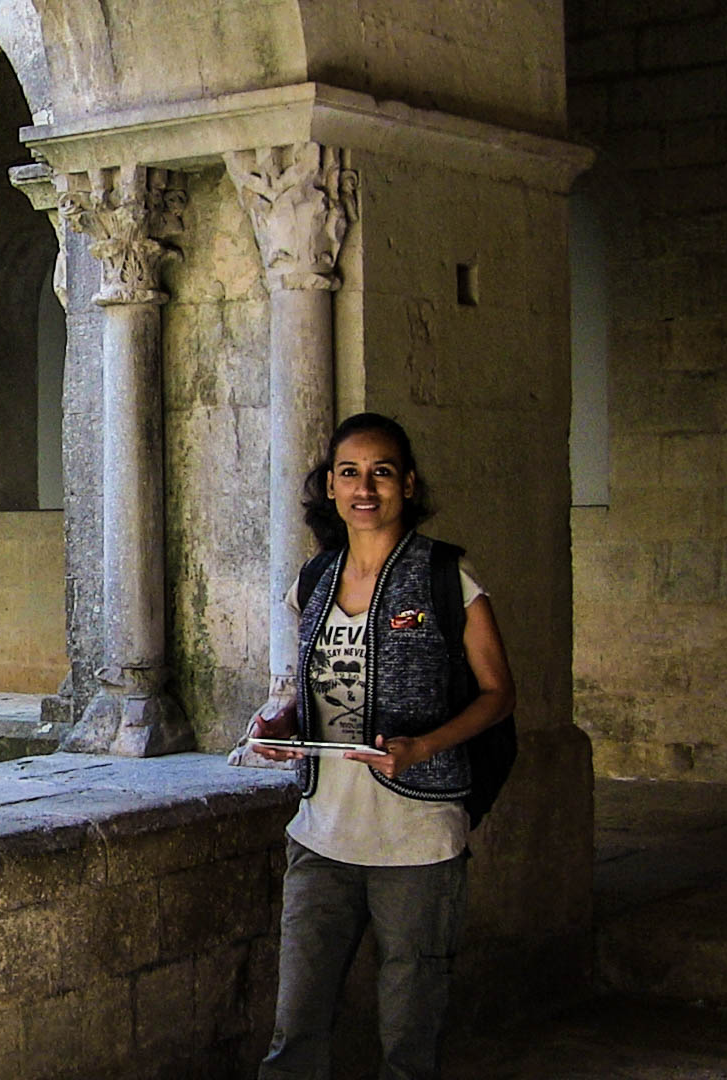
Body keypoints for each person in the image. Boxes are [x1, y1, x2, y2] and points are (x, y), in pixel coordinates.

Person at [250, 412, 516, 1080]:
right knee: (296, 1034)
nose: (365, 487)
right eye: (350, 472)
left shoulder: (446, 578)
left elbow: (498, 694)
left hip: (417, 841)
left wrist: (423, 746)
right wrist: (278, 727)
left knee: (407, 1040)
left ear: (407, 484)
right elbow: (300, 695)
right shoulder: (311, 582)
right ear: (331, 488)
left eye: (382, 471)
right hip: (321, 835)